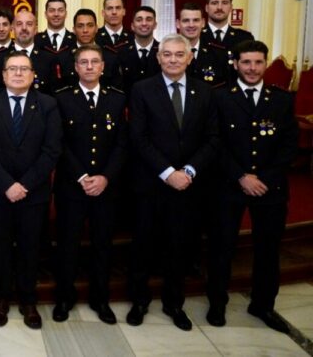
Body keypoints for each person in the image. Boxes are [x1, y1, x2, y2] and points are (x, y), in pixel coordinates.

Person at [126, 34, 220, 331]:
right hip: (151, 182)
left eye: (179, 54)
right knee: (143, 244)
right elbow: (138, 137)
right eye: (167, 54)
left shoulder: (205, 92)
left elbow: (213, 138)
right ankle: (139, 301)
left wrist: (188, 171)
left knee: (179, 246)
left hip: (189, 185)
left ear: (190, 57)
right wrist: (168, 172)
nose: (173, 59)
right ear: (158, 58)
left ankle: (174, 303)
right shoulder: (142, 89)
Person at [207, 40, 298, 333]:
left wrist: (264, 179)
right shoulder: (220, 97)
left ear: (265, 64)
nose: (252, 68)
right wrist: (241, 176)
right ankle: (217, 303)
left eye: (258, 62)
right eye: (246, 62)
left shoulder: (281, 99)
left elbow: (289, 145)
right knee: (222, 247)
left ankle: (263, 305)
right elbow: (214, 142)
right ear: (235, 64)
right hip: (228, 184)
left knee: (268, 250)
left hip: (270, 188)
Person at [0, 51, 61, 329]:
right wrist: (7, 185)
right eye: (12, 69)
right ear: (3, 75)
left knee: (29, 248)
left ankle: (28, 299)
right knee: (0, 248)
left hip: (33, 192)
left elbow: (51, 150)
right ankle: (1, 299)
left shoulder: (47, 104)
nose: (18, 73)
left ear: (33, 75)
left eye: (24, 69)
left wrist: (24, 185)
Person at [53, 44, 127, 324]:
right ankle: (64, 297)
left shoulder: (117, 98)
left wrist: (105, 177)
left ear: (103, 67)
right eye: (83, 62)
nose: (89, 67)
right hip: (72, 186)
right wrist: (82, 177)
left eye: (94, 62)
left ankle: (100, 298)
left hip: (106, 187)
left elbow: (122, 143)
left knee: (102, 245)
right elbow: (58, 142)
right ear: (75, 67)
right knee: (67, 244)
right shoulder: (61, 98)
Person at [0, 9, 59, 95]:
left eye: (29, 24)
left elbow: (53, 95)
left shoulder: (49, 59)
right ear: (12, 28)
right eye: (19, 24)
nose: (24, 28)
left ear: (36, 29)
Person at [53, 9, 122, 91]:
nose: (85, 30)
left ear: (96, 28)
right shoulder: (62, 57)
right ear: (74, 30)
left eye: (90, 25)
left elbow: (116, 90)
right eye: (80, 26)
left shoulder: (110, 57)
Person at [177, 3, 230, 86]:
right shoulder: (167, 53)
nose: (191, 25)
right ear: (178, 23)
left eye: (196, 20)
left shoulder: (218, 53)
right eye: (186, 20)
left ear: (203, 23)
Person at [116, 6, 161, 95]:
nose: (144, 23)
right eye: (139, 20)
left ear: (155, 25)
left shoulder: (163, 51)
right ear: (132, 26)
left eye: (149, 19)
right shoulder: (120, 52)